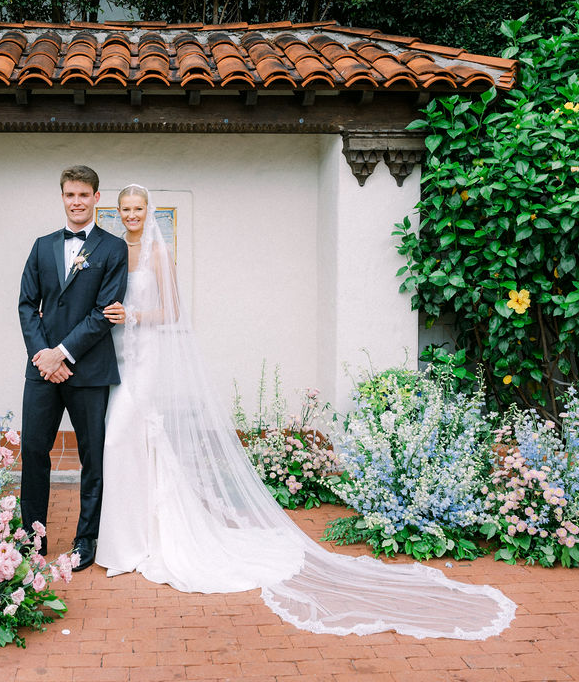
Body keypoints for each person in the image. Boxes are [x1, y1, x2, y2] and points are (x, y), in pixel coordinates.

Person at [95, 183, 517, 639]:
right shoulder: (116, 251)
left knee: (127, 433)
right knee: (124, 440)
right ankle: (132, 535)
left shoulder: (158, 254)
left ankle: (150, 537)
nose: (133, 215)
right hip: (118, 351)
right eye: (126, 209)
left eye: (139, 208)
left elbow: (173, 312)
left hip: (149, 352)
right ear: (117, 213)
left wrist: (135, 318)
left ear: (147, 212)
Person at [18, 165, 128, 571]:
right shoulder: (42, 246)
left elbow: (105, 312)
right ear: (62, 198)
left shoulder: (113, 249)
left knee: (92, 458)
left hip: (89, 370)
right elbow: (27, 304)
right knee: (33, 450)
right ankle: (32, 537)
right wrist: (44, 356)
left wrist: (61, 353)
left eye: (84, 195)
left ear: (97, 198)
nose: (76, 201)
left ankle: (87, 540)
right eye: (69, 195)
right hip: (42, 369)